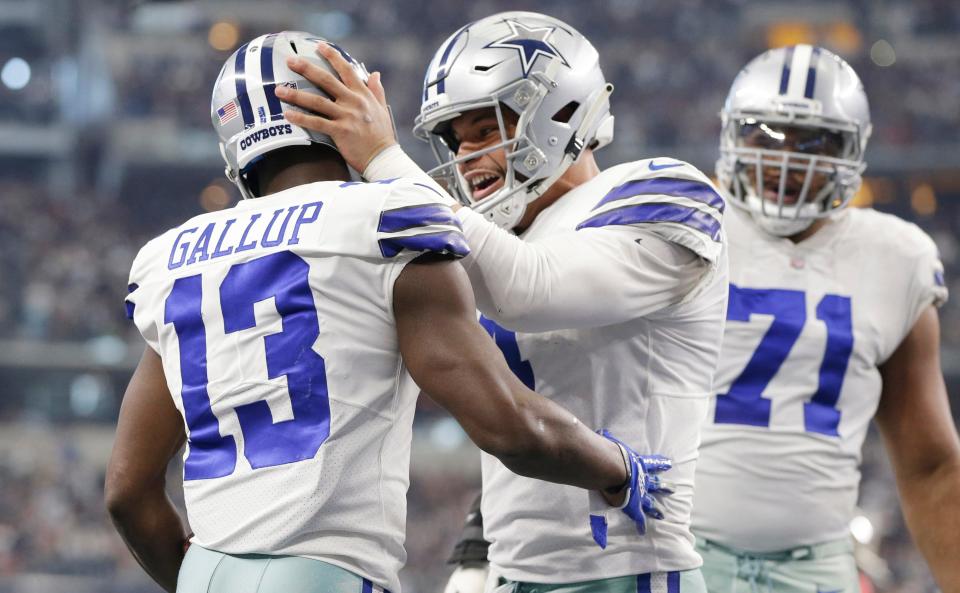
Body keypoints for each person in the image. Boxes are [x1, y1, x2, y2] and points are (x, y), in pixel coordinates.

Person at [103, 31, 671, 593]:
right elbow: (509, 429)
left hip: (205, 566)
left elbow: (127, 491)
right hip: (323, 570)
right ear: (349, 111)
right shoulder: (388, 216)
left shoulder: (171, 257)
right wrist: (620, 469)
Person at [276, 11, 728, 593]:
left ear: (558, 114)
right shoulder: (490, 244)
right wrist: (479, 547)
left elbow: (527, 289)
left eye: (484, 130)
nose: (465, 158)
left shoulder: (662, 189)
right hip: (512, 572)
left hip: (625, 569)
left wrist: (384, 160)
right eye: (456, 139)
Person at [690, 44, 960, 592]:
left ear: (852, 153)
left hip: (816, 568)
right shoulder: (677, 226)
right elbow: (569, 383)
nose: (786, 159)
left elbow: (930, 463)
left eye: (813, 142)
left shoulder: (895, 258)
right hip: (672, 549)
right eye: (765, 135)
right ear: (730, 136)